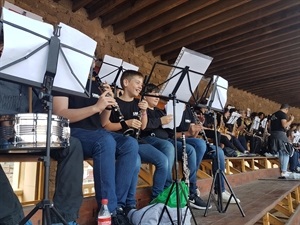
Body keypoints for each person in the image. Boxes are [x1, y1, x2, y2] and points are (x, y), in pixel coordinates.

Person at [0, 35, 83, 225]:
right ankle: (12, 219)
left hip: (25, 132)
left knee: (73, 145)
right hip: (1, 133)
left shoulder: (26, 75)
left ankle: (64, 218)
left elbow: (40, 109)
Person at [53, 72, 140, 225]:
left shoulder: (95, 85)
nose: (92, 63)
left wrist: (107, 105)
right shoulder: (64, 80)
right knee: (105, 141)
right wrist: (95, 107)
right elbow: (59, 113)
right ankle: (108, 211)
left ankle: (118, 207)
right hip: (73, 131)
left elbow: (102, 122)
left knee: (130, 144)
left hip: (97, 132)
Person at [100, 70, 171, 201]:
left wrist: (143, 111)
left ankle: (157, 198)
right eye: (137, 82)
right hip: (119, 143)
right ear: (126, 83)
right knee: (136, 162)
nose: (140, 86)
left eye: (141, 84)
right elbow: (106, 126)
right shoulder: (114, 102)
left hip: (137, 141)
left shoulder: (138, 104)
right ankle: (129, 202)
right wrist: (126, 123)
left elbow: (143, 126)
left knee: (163, 161)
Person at [269, 104, 294, 177]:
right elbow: (284, 125)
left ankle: (283, 170)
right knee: (287, 151)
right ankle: (284, 171)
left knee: (281, 152)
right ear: (286, 109)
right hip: (280, 134)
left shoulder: (273, 114)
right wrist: (291, 120)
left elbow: (269, 126)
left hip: (273, 134)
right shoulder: (283, 114)